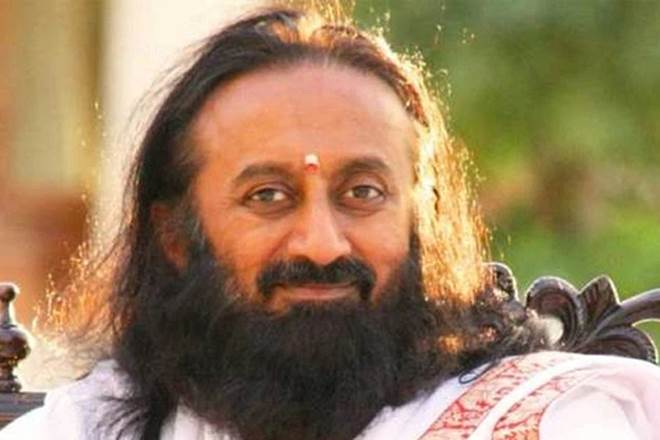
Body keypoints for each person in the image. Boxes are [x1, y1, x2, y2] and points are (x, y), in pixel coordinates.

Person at [2, 4, 659, 440]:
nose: (321, 244)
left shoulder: (549, 421)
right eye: (268, 196)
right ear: (176, 235)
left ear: (420, 220)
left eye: (362, 193)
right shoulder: (87, 429)